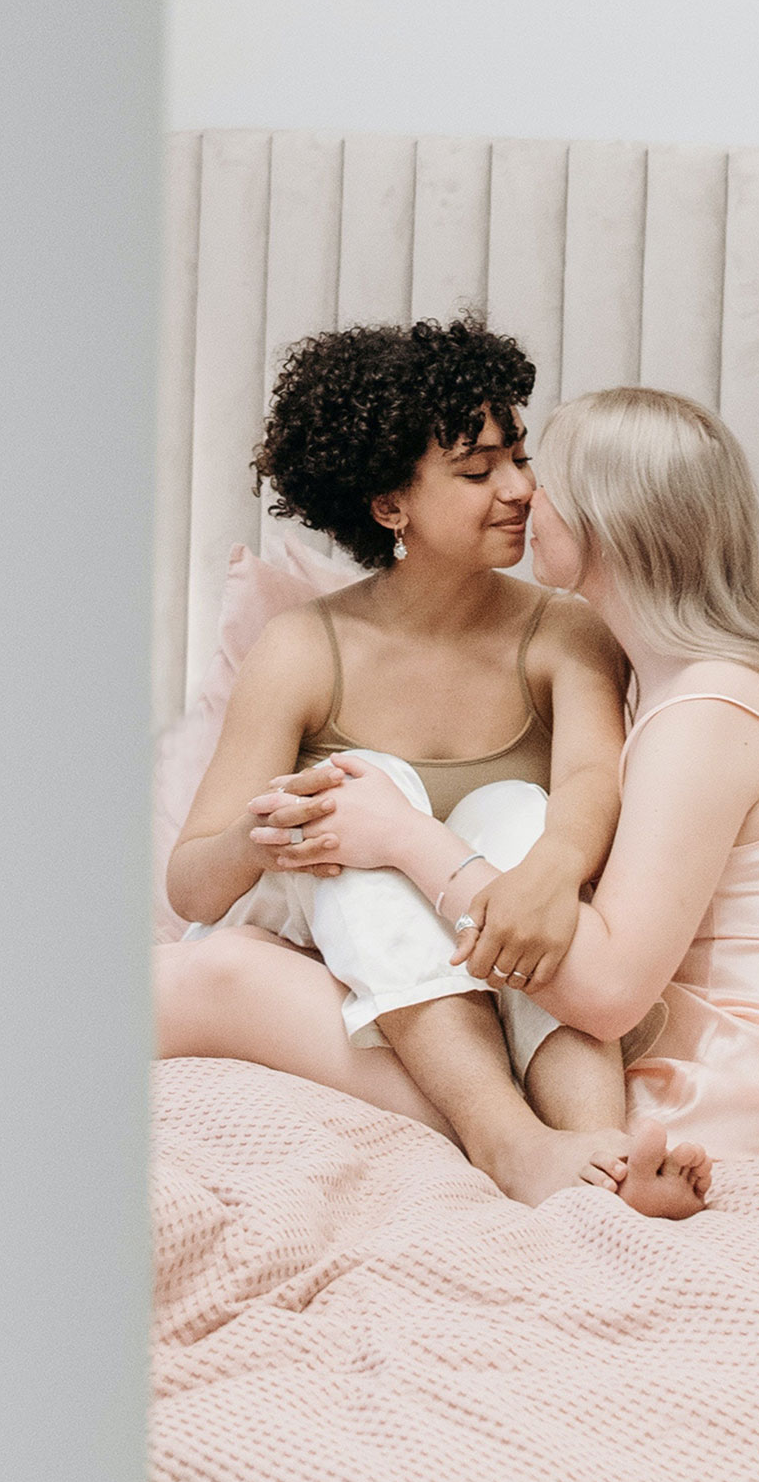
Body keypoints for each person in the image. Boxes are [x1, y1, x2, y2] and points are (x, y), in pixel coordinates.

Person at [248, 388, 759, 1220]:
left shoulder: (707, 712)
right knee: (270, 953)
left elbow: (609, 993)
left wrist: (406, 839)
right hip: (709, 1083)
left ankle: (526, 1145)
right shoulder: (690, 689)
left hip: (698, 1105)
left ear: (607, 520)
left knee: (234, 972)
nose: (522, 494)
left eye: (539, 474)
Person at [157, 317, 705, 1218]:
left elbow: (590, 785)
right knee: (365, 794)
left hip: (488, 953)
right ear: (389, 507)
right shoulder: (302, 649)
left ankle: (598, 1151)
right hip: (329, 972)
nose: (521, 489)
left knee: (520, 812)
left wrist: (552, 871)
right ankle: (508, 1142)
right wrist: (265, 836)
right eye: (478, 471)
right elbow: (190, 887)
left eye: (519, 458)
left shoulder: (564, 631)